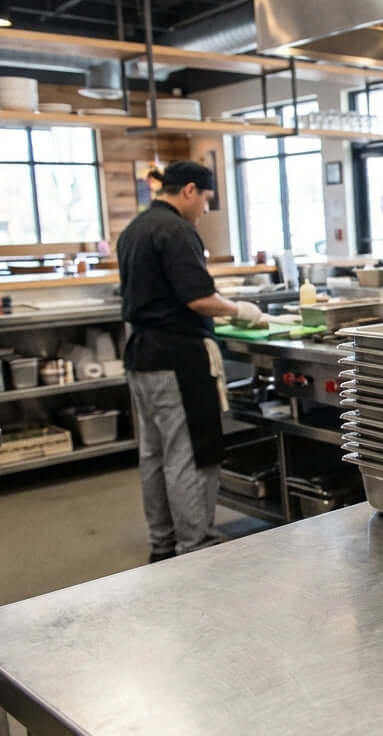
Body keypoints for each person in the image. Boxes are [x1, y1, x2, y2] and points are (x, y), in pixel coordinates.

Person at [117, 161, 261, 562]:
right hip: (176, 357)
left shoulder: (134, 229)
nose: (204, 210)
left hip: (141, 357)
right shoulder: (177, 230)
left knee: (154, 454)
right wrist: (240, 309)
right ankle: (194, 547)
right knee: (188, 452)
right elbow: (198, 298)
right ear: (189, 190)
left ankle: (162, 545)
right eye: (205, 200)